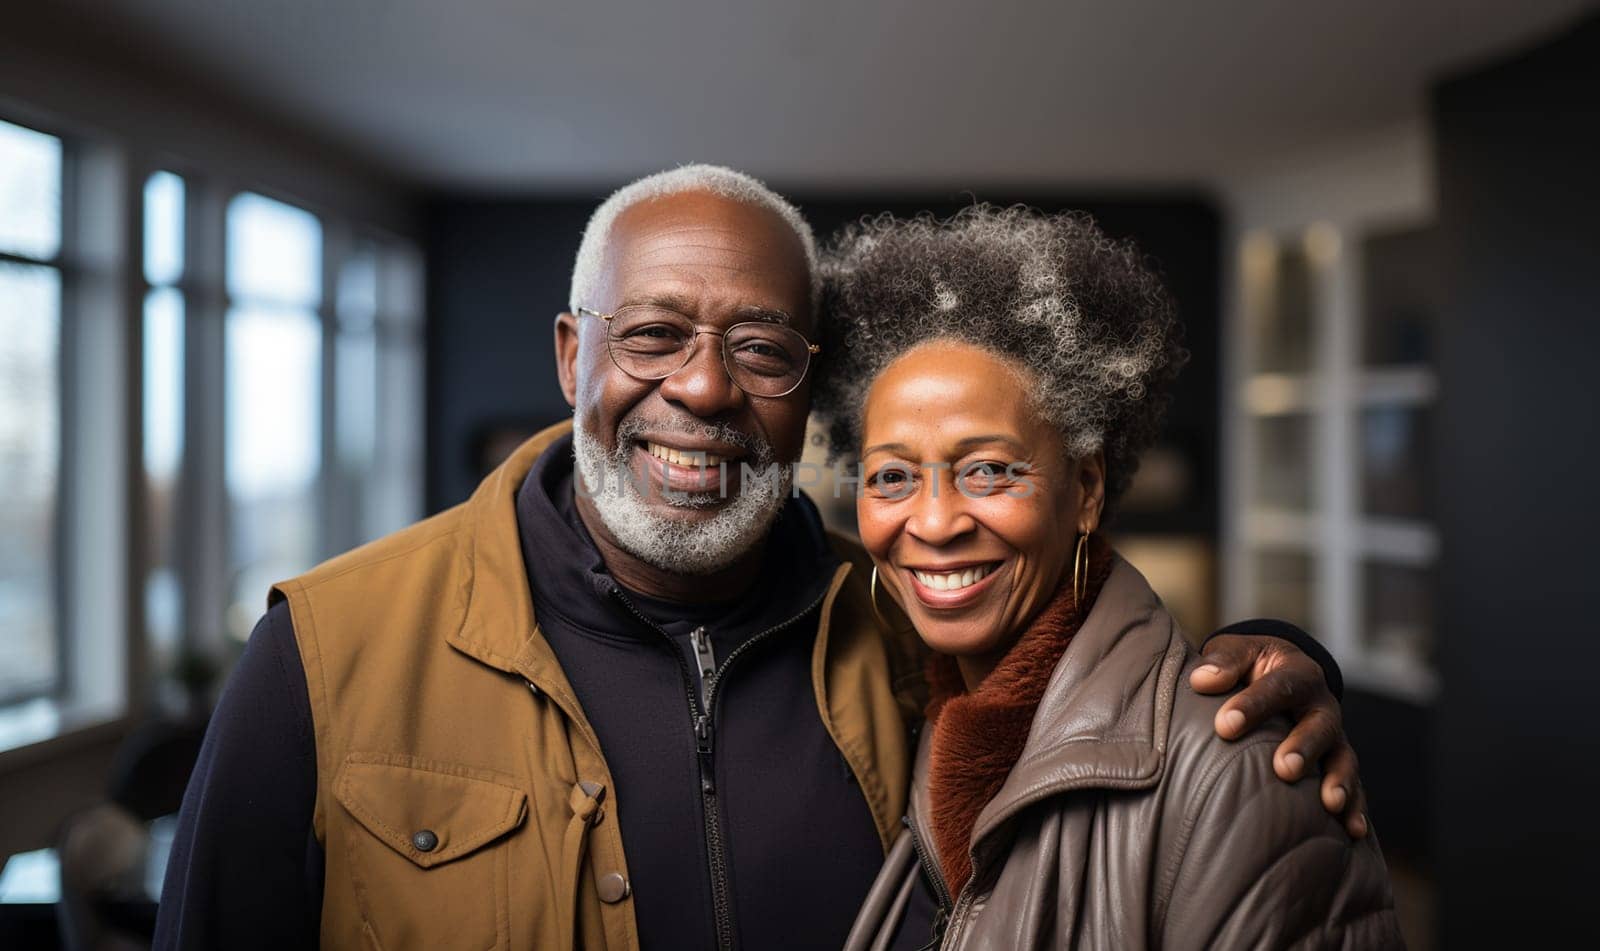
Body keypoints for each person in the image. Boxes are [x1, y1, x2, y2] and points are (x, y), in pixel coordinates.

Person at [155, 167, 1366, 951]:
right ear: (575, 357)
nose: (701, 388)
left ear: (808, 392)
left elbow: (1114, 708)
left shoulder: (910, 623)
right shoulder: (323, 653)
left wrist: (1281, 664)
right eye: (654, 336)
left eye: (762, 349)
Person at [821, 206, 1402, 950]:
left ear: (1087, 489)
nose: (934, 522)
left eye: (990, 470)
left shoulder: (1240, 767)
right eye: (893, 475)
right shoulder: (911, 720)